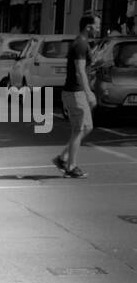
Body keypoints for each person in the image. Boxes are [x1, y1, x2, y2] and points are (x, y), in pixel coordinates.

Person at [54, 13, 99, 178]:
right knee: (80, 128)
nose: (99, 28)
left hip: (75, 92)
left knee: (85, 127)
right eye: (97, 25)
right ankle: (71, 166)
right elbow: (80, 71)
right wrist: (89, 93)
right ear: (88, 27)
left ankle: (63, 158)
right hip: (75, 92)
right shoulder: (80, 44)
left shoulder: (82, 43)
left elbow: (83, 68)